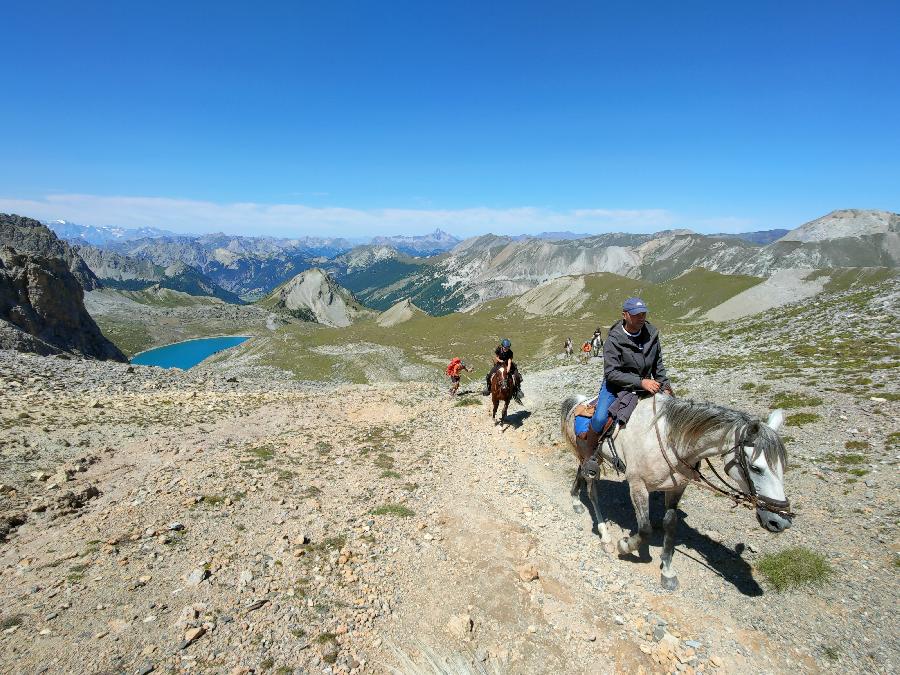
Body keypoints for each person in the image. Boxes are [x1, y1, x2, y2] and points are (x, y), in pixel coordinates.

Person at [579, 297, 672, 449]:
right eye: (636, 314)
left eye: (643, 314)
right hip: (616, 386)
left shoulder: (652, 335)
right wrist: (641, 382)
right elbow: (611, 373)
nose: (641, 318)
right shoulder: (614, 340)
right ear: (625, 315)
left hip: (646, 384)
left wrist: (666, 387)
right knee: (600, 418)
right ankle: (590, 457)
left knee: (672, 412)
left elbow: (658, 366)